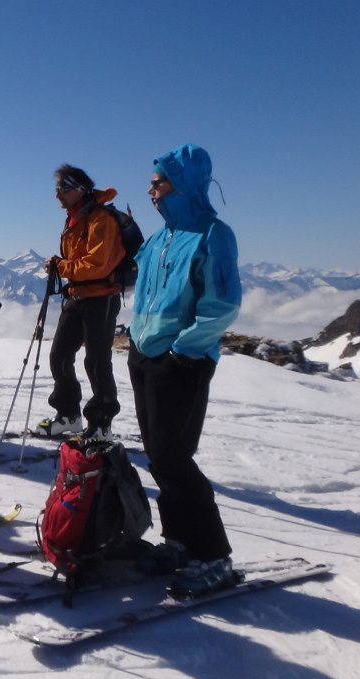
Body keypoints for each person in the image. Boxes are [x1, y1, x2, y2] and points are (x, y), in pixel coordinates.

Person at [128, 143, 242, 597]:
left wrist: (184, 350)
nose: (151, 190)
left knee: (174, 458)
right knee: (159, 456)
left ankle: (214, 555)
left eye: (158, 183)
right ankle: (179, 539)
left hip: (182, 360)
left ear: (182, 184)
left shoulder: (213, 235)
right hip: (144, 355)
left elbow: (223, 303)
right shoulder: (160, 238)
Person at [35, 165, 125, 441]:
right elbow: (80, 261)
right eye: (57, 189)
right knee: (59, 357)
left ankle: (101, 425)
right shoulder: (76, 218)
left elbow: (97, 265)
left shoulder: (100, 219)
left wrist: (61, 266)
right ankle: (69, 416)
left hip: (101, 298)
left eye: (63, 188)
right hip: (78, 296)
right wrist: (61, 265)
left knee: (97, 362)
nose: (57, 195)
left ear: (80, 189)